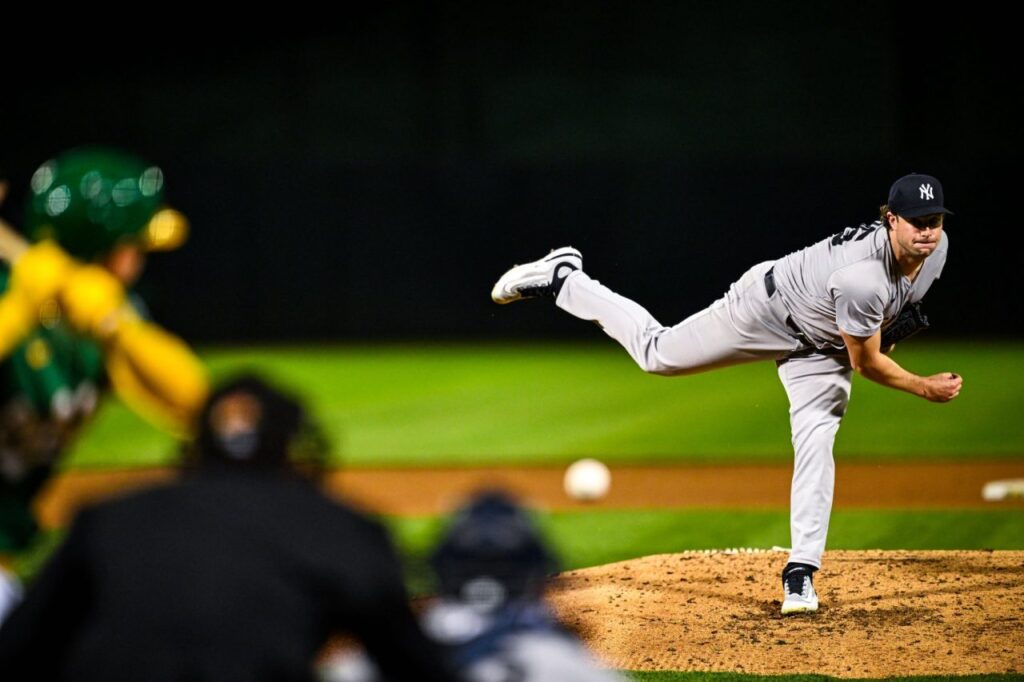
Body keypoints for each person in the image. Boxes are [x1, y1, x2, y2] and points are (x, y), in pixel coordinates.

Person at [490, 173, 962, 615]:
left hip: (822, 346)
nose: (927, 231)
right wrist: (922, 385)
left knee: (817, 439)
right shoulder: (862, 277)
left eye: (934, 221)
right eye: (917, 222)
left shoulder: (935, 253)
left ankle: (801, 571)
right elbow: (867, 363)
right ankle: (565, 278)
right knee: (658, 354)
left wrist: (884, 331)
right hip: (768, 310)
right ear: (891, 220)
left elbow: (883, 327)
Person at [0, 374, 458, 682]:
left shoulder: (106, 520)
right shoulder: (341, 528)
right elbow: (418, 668)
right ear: (291, 449)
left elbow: (18, 652)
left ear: (195, 449)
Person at [0, 147, 209, 622]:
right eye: (132, 245)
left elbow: (195, 402)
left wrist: (119, 327)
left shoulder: (101, 310)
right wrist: (18, 307)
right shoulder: (10, 292)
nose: (139, 260)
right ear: (103, 245)